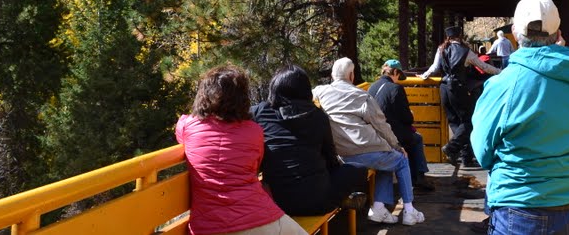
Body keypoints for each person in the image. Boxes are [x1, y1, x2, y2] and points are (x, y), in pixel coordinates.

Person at [470, 0, 569, 235]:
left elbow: (482, 152)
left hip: (523, 208)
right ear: (558, 33)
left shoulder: (502, 86)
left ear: (515, 33)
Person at [175, 65, 304, 235]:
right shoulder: (255, 131)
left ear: (203, 94)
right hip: (260, 218)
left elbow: (183, 136)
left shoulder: (187, 126)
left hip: (210, 227)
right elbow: (255, 166)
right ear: (242, 98)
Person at [313, 57, 426, 226]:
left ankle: (379, 208)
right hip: (363, 151)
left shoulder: (321, 92)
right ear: (351, 76)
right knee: (401, 159)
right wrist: (398, 145)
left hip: (340, 154)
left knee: (387, 160)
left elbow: (311, 92)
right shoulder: (361, 96)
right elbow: (381, 125)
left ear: (332, 75)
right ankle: (409, 211)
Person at [251, 64, 368, 215]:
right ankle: (343, 200)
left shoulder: (259, 112)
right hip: (318, 202)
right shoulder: (318, 116)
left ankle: (343, 200)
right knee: (359, 169)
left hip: (276, 200)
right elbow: (331, 160)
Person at [420, 25, 500, 166]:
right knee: (468, 122)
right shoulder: (466, 51)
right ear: (460, 36)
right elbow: (484, 67)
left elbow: (434, 67)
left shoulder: (441, 49)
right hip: (458, 88)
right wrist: (501, 71)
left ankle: (465, 157)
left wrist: (423, 76)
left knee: (454, 121)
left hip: (444, 87)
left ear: (448, 37)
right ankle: (452, 148)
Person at [366, 59, 435, 192]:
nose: (398, 79)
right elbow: (407, 118)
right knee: (416, 138)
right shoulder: (396, 88)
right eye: (399, 76)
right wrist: (411, 114)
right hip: (391, 134)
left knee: (409, 137)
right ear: (396, 72)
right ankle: (419, 177)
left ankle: (413, 176)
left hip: (374, 133)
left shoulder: (371, 87)